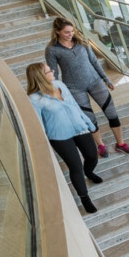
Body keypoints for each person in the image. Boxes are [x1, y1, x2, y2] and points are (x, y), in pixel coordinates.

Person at [45, 17, 129, 158]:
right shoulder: (52, 49)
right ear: (57, 32)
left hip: (95, 82)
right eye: (67, 32)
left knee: (112, 113)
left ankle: (121, 144)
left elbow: (94, 61)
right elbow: (53, 73)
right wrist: (57, 92)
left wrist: (105, 79)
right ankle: (101, 145)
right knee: (90, 119)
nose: (71, 34)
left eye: (72, 31)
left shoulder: (82, 42)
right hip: (74, 88)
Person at [26, 62, 101, 214]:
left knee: (92, 156)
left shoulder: (60, 84)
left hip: (79, 127)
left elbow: (74, 105)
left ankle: (89, 172)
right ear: (41, 76)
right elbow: (39, 124)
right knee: (75, 167)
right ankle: (84, 197)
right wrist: (44, 143)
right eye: (49, 70)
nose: (53, 71)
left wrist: (88, 123)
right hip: (59, 136)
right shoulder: (34, 99)